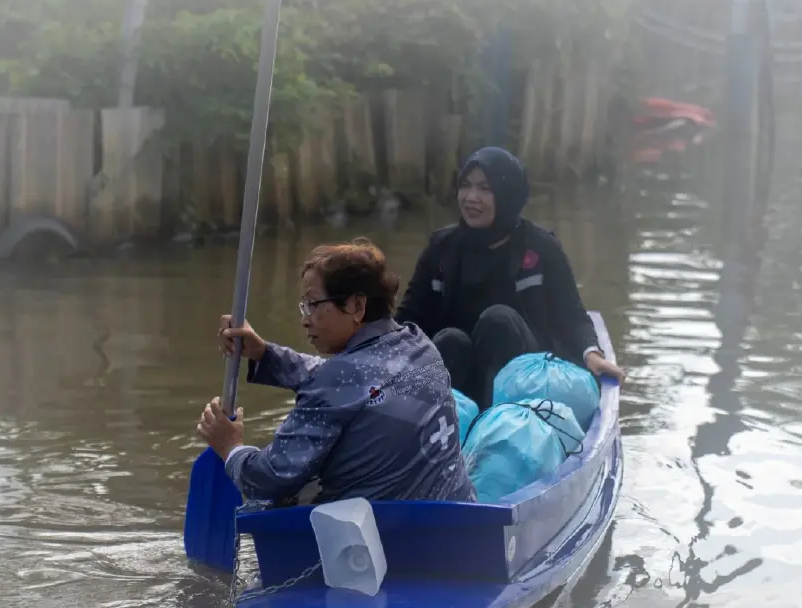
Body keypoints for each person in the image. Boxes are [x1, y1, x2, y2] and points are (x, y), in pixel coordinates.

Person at [196, 238, 477, 506]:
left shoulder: (340, 380)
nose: (305, 320)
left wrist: (231, 448)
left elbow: (270, 478)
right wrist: (264, 354)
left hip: (385, 537)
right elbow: (342, 379)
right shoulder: (420, 345)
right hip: (453, 518)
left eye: (313, 304)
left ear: (356, 305)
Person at [394, 146, 626, 409]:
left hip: (525, 378)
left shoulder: (540, 245)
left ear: (508, 195)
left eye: (485, 189)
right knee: (450, 340)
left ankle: (498, 421)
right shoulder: (441, 247)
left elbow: (571, 315)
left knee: (498, 321)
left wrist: (592, 354)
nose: (471, 198)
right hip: (457, 376)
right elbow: (407, 321)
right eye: (466, 186)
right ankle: (443, 426)